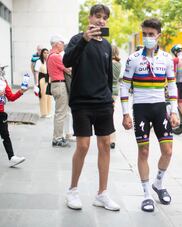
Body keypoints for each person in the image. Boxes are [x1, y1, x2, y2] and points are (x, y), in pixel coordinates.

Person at [62, 4, 120, 211]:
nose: (101, 21)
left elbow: (108, 76)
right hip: (81, 102)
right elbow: (67, 60)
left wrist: (110, 99)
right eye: (98, 16)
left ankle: (102, 194)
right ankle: (73, 190)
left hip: (103, 103)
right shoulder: (78, 39)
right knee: (83, 146)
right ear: (89, 18)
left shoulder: (106, 45)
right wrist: (84, 41)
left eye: (105, 18)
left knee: (105, 145)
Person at [120, 18, 179, 212]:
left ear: (158, 35)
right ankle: (146, 195)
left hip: (160, 108)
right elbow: (125, 85)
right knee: (143, 152)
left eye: (151, 34)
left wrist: (174, 110)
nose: (147, 38)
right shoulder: (133, 58)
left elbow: (171, 84)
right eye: (144, 34)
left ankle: (158, 184)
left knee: (168, 151)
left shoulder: (167, 59)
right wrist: (125, 114)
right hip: (141, 109)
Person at [0, 65, 28, 167]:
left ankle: (12, 157)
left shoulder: (4, 83)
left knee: (5, 135)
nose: (2, 72)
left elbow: (11, 97)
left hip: (1, 114)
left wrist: (21, 92)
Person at [47, 35, 71, 147]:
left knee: (59, 113)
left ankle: (57, 137)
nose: (63, 45)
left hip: (56, 85)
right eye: (62, 43)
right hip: (60, 85)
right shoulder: (56, 56)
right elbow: (68, 70)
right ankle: (57, 138)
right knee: (61, 113)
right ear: (56, 44)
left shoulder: (50, 56)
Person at [34, 48, 52, 118]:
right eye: (44, 53)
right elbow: (36, 73)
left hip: (48, 80)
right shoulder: (39, 61)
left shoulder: (49, 61)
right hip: (42, 80)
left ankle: (48, 112)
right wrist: (36, 83)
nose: (46, 54)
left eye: (47, 53)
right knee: (43, 96)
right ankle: (44, 113)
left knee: (49, 96)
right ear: (42, 53)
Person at [110, 44, 122, 149]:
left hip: (107, 90)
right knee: (111, 115)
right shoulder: (118, 64)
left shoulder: (108, 63)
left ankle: (110, 138)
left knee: (107, 116)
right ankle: (112, 139)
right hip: (115, 91)